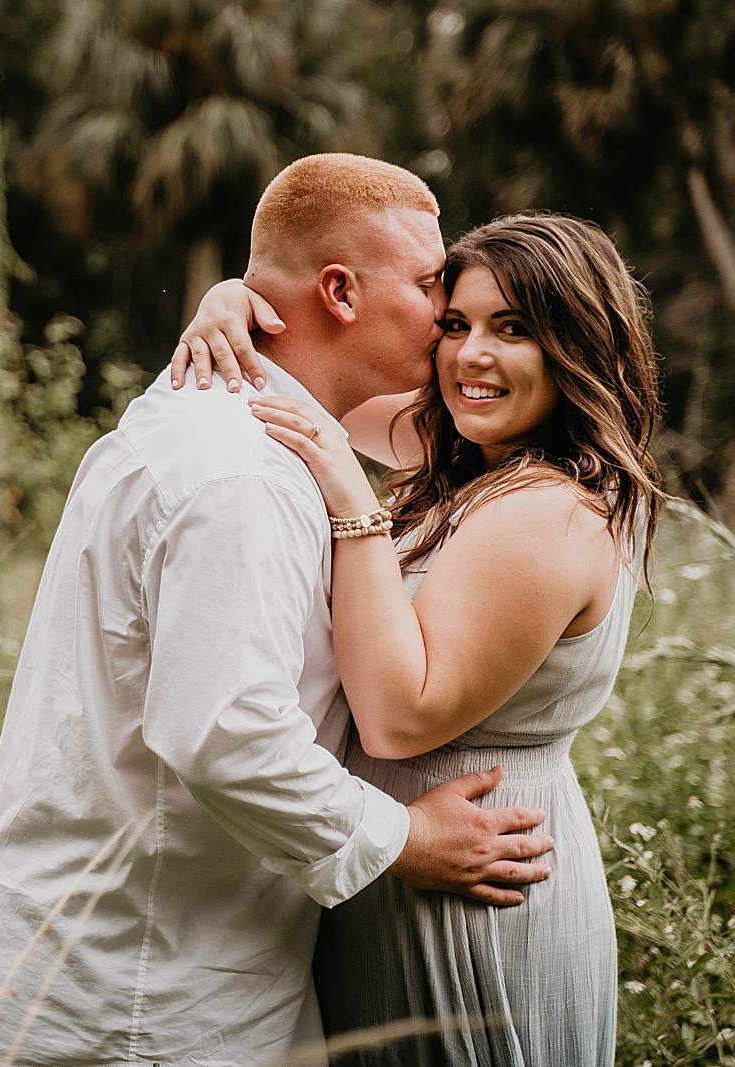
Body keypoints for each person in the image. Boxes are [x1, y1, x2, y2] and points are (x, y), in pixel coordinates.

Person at [0, 156, 557, 1067]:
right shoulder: (241, 471)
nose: (444, 310)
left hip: (152, 950)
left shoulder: (217, 414)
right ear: (341, 291)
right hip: (145, 989)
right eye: (432, 282)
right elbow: (226, 731)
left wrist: (236, 294)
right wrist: (407, 837)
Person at [173, 211, 664, 1064]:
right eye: (456, 324)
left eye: (513, 330)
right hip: (410, 861)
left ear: (577, 347)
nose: (471, 356)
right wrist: (233, 302)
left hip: (472, 890)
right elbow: (316, 384)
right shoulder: (476, 452)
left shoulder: (548, 511)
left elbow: (401, 717)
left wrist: (351, 503)